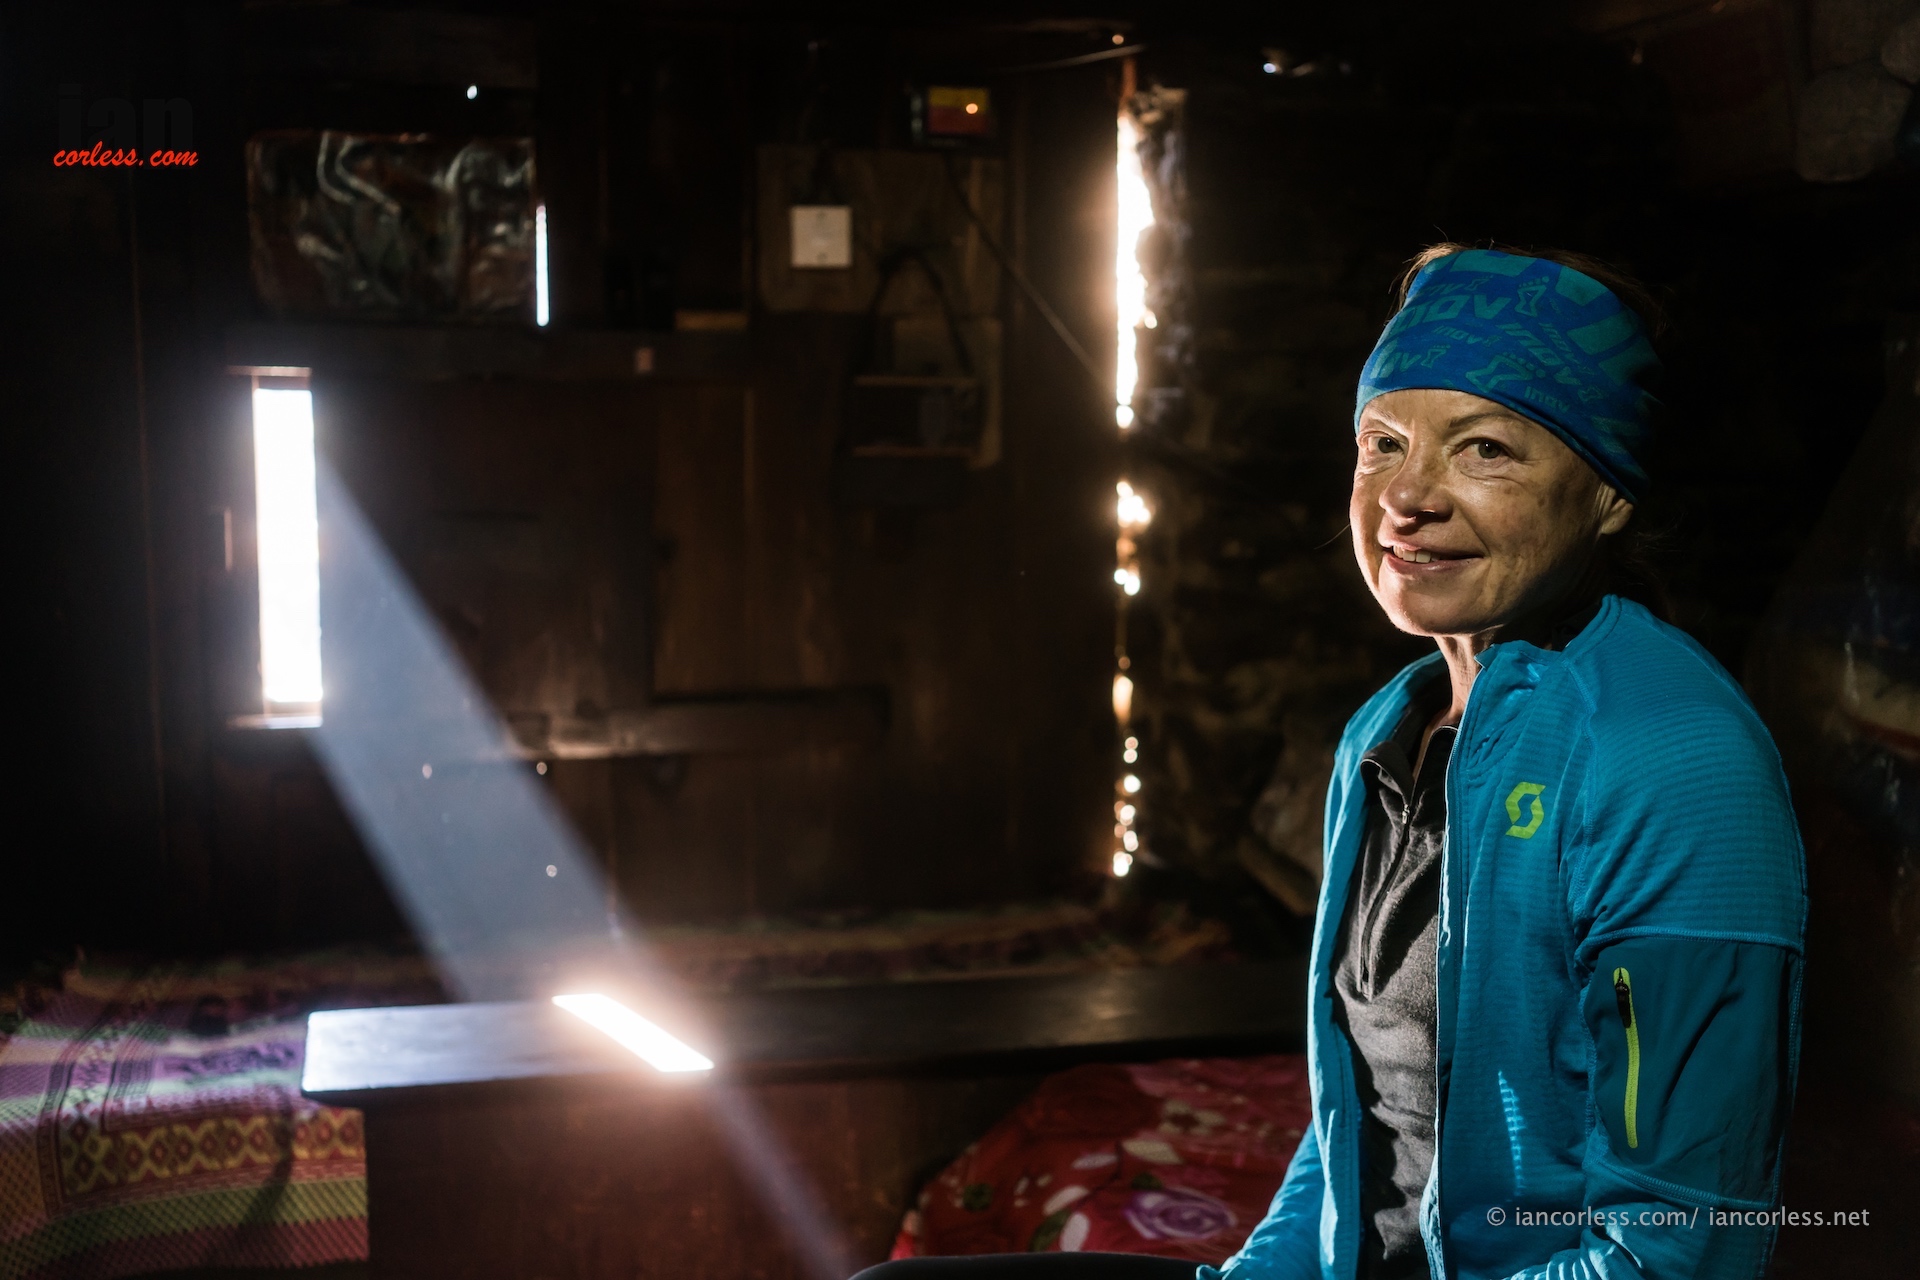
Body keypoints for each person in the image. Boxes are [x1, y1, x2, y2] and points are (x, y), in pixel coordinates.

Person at [855, 246, 1806, 1280]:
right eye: (1383, 443)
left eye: (1484, 449)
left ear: (1609, 492)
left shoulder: (1674, 760)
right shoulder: (1383, 735)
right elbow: (1359, 1121)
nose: (1408, 496)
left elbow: (1676, 1251)